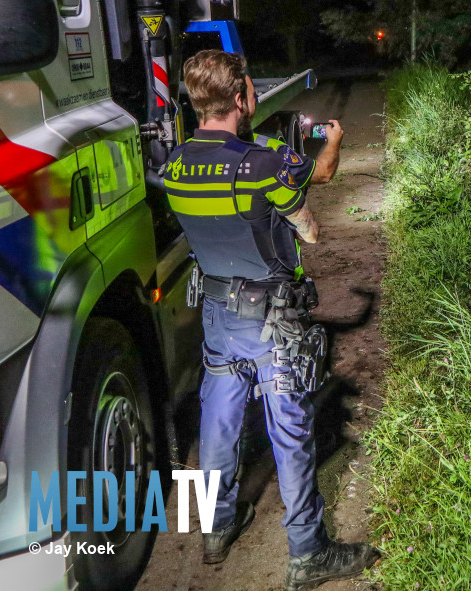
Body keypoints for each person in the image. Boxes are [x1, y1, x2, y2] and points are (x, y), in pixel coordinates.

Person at [163, 50, 376, 591]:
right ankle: (308, 551)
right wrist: (329, 144)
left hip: (216, 312)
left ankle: (216, 524)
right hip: (271, 317)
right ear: (240, 99)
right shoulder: (260, 163)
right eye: (252, 93)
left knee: (218, 419)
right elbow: (310, 233)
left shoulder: (176, 163)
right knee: (291, 429)